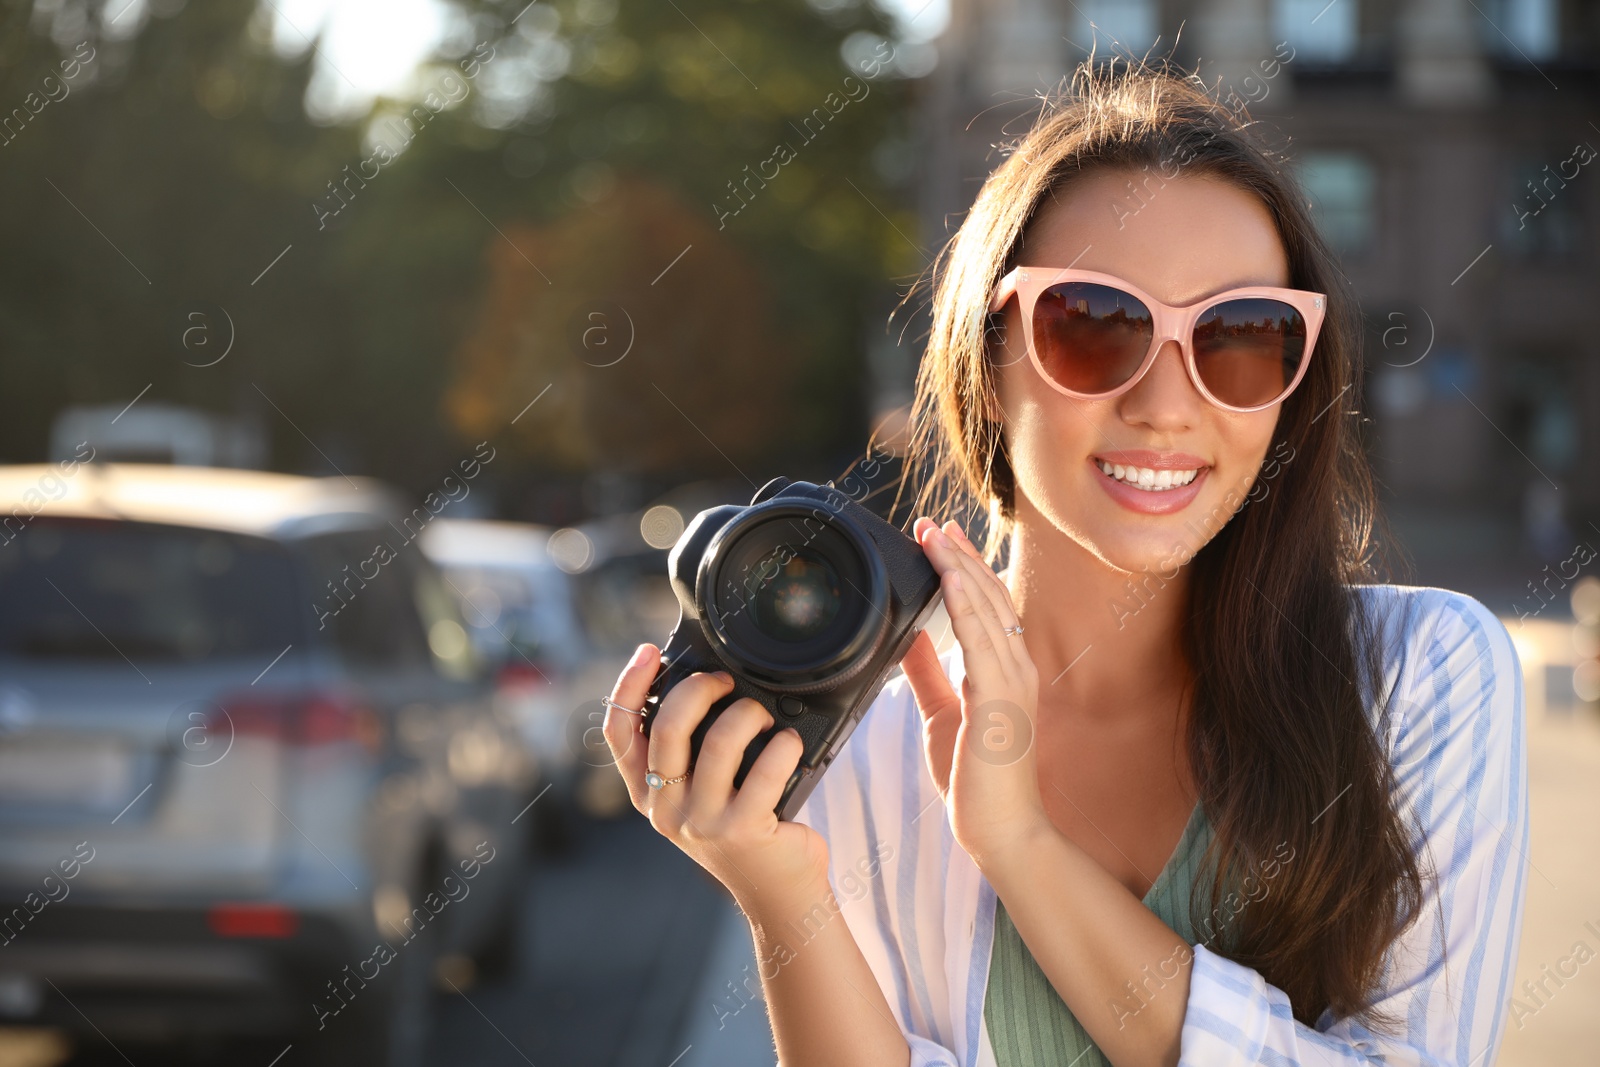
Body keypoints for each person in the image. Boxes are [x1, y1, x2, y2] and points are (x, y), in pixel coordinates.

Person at [602, 58, 1527, 1067]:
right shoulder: (869, 733)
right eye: (1093, 325)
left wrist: (1022, 847)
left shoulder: (1422, 675)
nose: (1167, 404)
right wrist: (780, 894)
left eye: (1242, 335)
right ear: (986, 359)